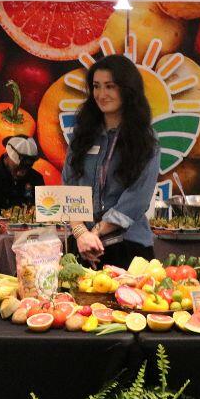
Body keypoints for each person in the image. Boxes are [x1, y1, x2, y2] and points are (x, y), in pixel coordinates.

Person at [63, 54, 160, 269]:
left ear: (127, 90)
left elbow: (137, 198)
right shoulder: (82, 137)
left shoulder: (145, 141)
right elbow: (69, 187)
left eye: (110, 86)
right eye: (96, 86)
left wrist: (94, 233)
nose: (101, 94)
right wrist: (81, 234)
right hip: (81, 247)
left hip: (128, 248)